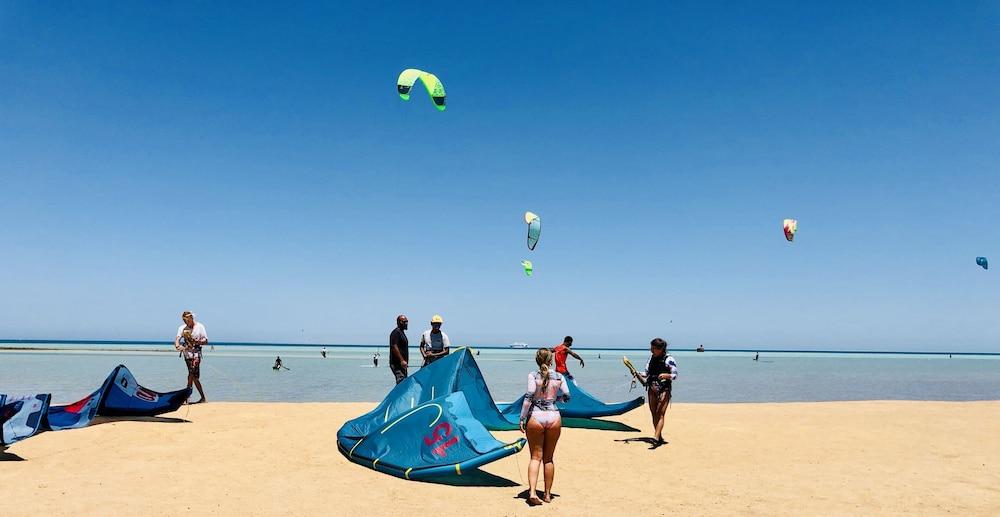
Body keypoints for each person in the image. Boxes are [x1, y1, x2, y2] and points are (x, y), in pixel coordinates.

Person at [519, 348, 570, 506]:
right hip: (554, 416)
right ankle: (547, 495)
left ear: (537, 361)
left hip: (536, 416)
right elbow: (567, 396)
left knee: (535, 457)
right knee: (548, 459)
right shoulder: (559, 376)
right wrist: (556, 400)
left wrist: (521, 418)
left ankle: (533, 492)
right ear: (551, 360)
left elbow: (529, 396)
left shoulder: (533, 375)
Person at [633, 338, 677, 448]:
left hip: (664, 389)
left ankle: (656, 437)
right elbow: (647, 373)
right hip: (652, 388)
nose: (651, 350)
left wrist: (667, 375)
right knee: (654, 413)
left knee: (660, 413)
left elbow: (675, 375)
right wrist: (636, 373)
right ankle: (659, 437)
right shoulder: (651, 358)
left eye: (653, 348)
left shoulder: (669, 359)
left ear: (660, 349)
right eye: (651, 348)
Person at [173, 311, 208, 404]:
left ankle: (187, 397)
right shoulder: (182, 328)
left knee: (192, 374)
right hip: (187, 354)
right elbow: (177, 339)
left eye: (187, 320)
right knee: (193, 375)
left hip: (196, 354)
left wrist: (198, 342)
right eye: (184, 320)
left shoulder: (200, 326)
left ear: (192, 318)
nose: (186, 322)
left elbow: (206, 340)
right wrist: (177, 346)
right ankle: (199, 397)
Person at [389, 315, 409, 384]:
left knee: (404, 382)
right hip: (397, 364)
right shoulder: (396, 332)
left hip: (402, 365)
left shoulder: (401, 332)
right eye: (404, 322)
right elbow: (394, 346)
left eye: (407, 322)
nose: (406, 323)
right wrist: (402, 360)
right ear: (399, 322)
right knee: (401, 382)